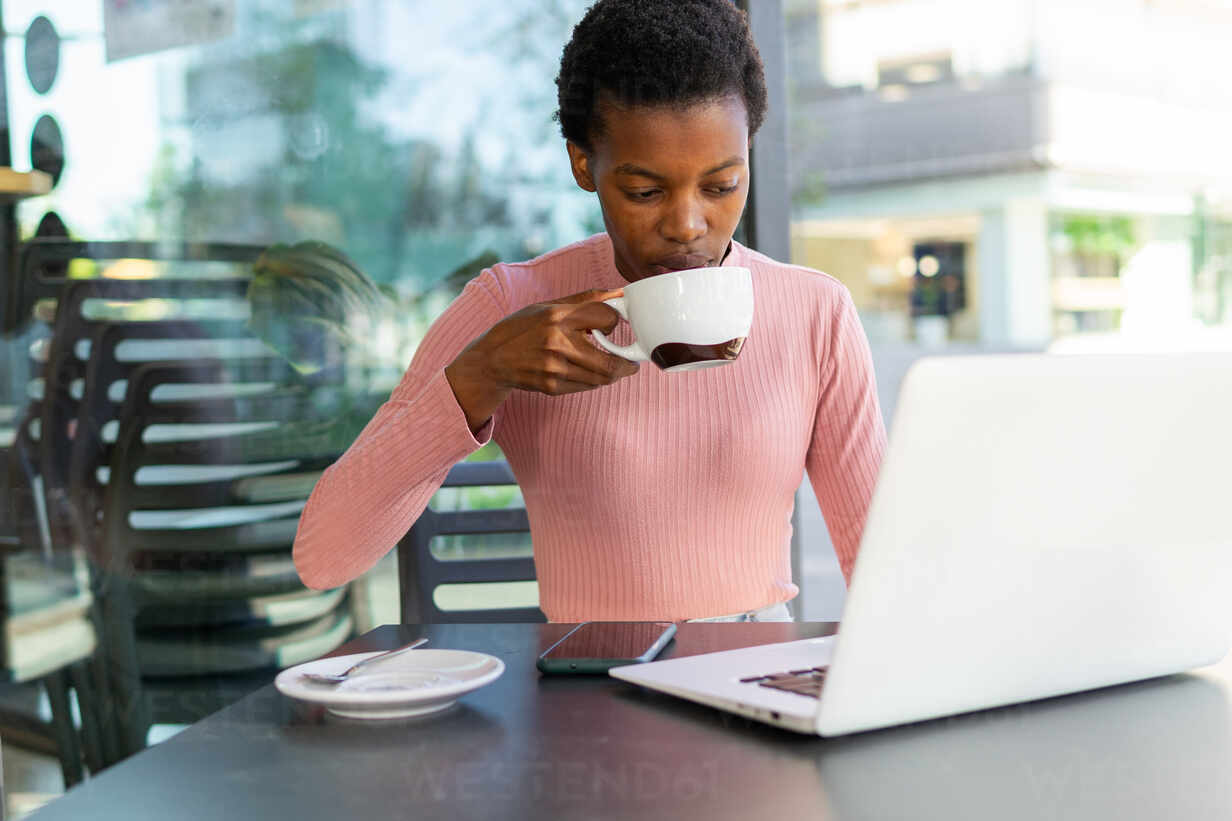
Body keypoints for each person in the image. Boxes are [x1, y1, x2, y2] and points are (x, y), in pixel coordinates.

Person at [293, 0, 887, 623]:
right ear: (584, 164)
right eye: (644, 191)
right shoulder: (512, 304)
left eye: (721, 185)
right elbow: (323, 557)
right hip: (589, 678)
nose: (687, 225)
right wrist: (480, 377)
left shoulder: (816, 312)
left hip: (757, 670)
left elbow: (882, 564)